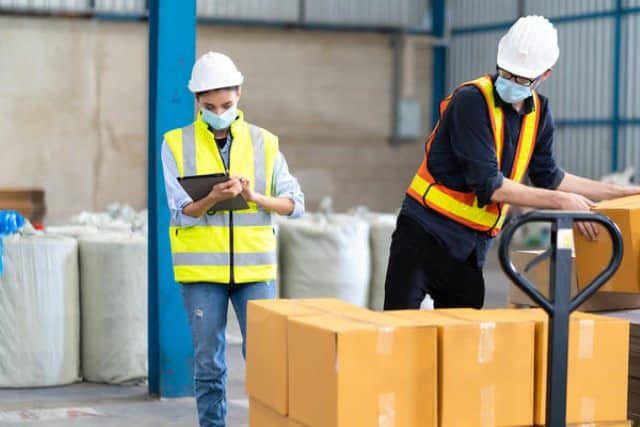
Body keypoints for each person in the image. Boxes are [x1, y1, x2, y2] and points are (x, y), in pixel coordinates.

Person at [383, 16, 640, 311]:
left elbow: (549, 176)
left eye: (521, 78)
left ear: (545, 75)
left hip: (470, 248)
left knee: (462, 340)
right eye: (505, 72)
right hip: (424, 233)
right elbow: (488, 184)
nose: (510, 82)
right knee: (397, 331)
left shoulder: (540, 113)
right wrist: (561, 201)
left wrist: (616, 192)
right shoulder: (471, 101)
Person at [161, 51, 304, 427]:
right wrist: (212, 198)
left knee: (265, 363)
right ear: (197, 102)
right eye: (208, 106)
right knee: (208, 364)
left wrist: (255, 197)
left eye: (225, 103)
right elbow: (178, 211)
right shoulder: (175, 144)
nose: (218, 112)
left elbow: (295, 204)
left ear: (239, 93)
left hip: (254, 271)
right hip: (201, 276)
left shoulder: (265, 143)